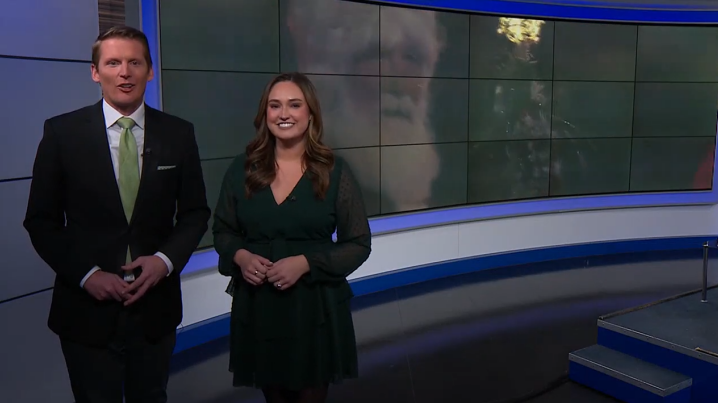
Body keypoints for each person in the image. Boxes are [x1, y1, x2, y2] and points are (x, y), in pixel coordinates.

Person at [23, 26, 210, 403]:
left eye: (134, 62)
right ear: (95, 72)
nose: (124, 72)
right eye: (112, 63)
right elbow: (41, 221)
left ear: (149, 71)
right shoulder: (62, 133)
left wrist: (164, 261)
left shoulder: (178, 134)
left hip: (155, 309)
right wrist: (87, 275)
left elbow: (195, 213)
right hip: (85, 311)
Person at [212, 72, 372, 403]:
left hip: (314, 307)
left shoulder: (334, 171)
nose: (284, 114)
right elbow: (223, 231)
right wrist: (241, 257)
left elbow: (358, 243)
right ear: (265, 114)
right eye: (275, 105)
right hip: (259, 305)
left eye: (294, 105)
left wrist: (306, 263)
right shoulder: (242, 170)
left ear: (310, 114)